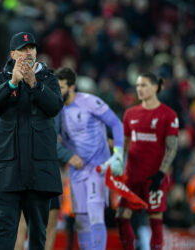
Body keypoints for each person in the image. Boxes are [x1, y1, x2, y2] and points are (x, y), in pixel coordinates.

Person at [0, 31, 64, 250]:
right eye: (23, 49)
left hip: (39, 169)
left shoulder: (48, 78)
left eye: (32, 49)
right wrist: (12, 83)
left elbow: (55, 106)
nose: (29, 53)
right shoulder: (1, 78)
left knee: (38, 230)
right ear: (12, 54)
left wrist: (34, 84)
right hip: (7, 170)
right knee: (4, 229)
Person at [55, 67, 124, 250]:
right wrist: (67, 155)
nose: (58, 91)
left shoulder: (89, 102)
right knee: (81, 220)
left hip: (97, 167)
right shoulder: (57, 111)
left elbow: (116, 124)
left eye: (61, 87)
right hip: (76, 171)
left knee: (95, 215)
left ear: (72, 87)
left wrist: (118, 154)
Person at [116, 72, 179, 250]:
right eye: (138, 86)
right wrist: (116, 162)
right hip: (132, 176)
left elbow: (172, 147)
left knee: (155, 219)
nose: (139, 89)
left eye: (143, 85)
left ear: (155, 87)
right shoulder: (130, 114)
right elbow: (124, 144)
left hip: (154, 177)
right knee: (121, 216)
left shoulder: (168, 115)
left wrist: (161, 173)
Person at [15, 111, 83, 250]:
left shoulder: (22, 101)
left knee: (29, 222)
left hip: (33, 169)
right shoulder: (53, 105)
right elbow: (52, 141)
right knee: (31, 223)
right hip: (43, 169)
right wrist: (67, 154)